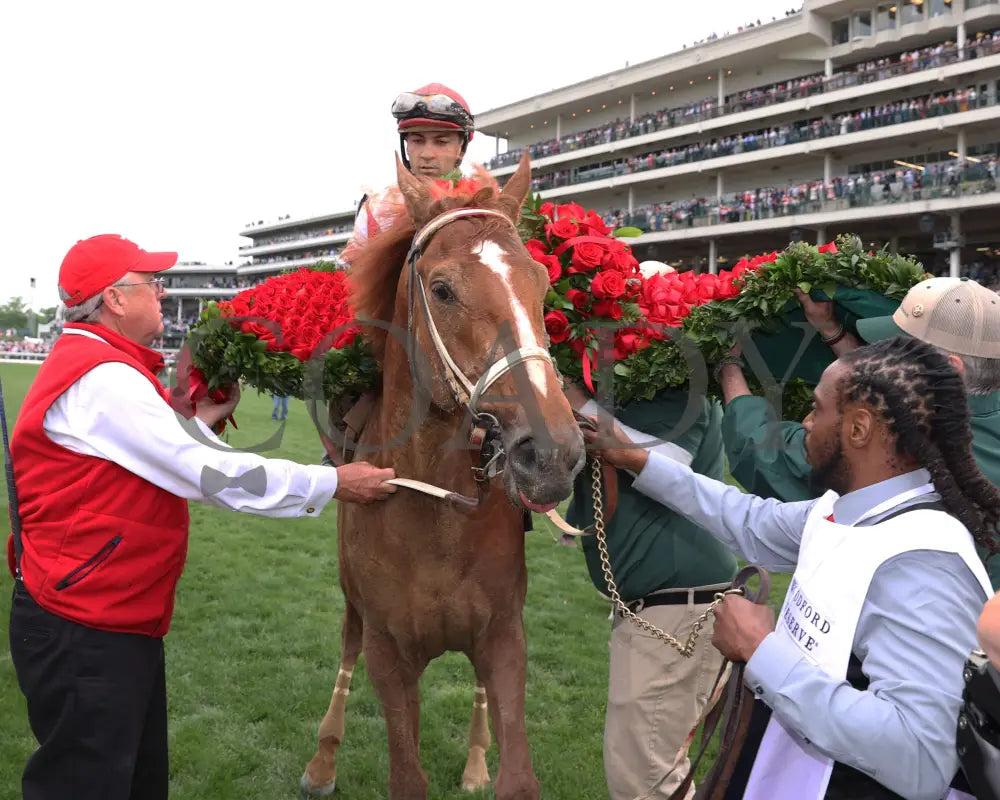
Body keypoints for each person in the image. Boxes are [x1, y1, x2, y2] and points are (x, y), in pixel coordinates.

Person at [6, 234, 397, 800]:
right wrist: (332, 481)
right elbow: (203, 475)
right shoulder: (104, 377)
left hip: (105, 614)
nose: (163, 292)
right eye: (151, 282)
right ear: (115, 299)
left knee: (131, 780)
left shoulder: (101, 365)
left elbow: (153, 460)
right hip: (84, 625)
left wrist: (202, 425)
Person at [587, 335, 997, 799]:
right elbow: (746, 518)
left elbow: (921, 757)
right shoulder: (844, 509)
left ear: (859, 429)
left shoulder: (922, 568)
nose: (805, 422)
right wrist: (638, 460)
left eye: (818, 409)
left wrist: (761, 650)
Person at [720, 276, 1000, 587]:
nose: (888, 356)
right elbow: (886, 383)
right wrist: (831, 331)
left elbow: (767, 452)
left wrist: (729, 365)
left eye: (903, 349)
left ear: (950, 368)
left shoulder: (901, 441)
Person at [564, 378, 737, 800]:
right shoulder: (630, 383)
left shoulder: (672, 380)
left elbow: (667, 460)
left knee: (645, 783)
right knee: (653, 778)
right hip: (668, 608)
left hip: (677, 610)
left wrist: (572, 397)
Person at [339, 82, 476, 265]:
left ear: (461, 148)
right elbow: (350, 274)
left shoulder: (488, 202)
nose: (427, 154)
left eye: (441, 142)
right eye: (417, 141)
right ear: (406, 146)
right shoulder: (376, 209)